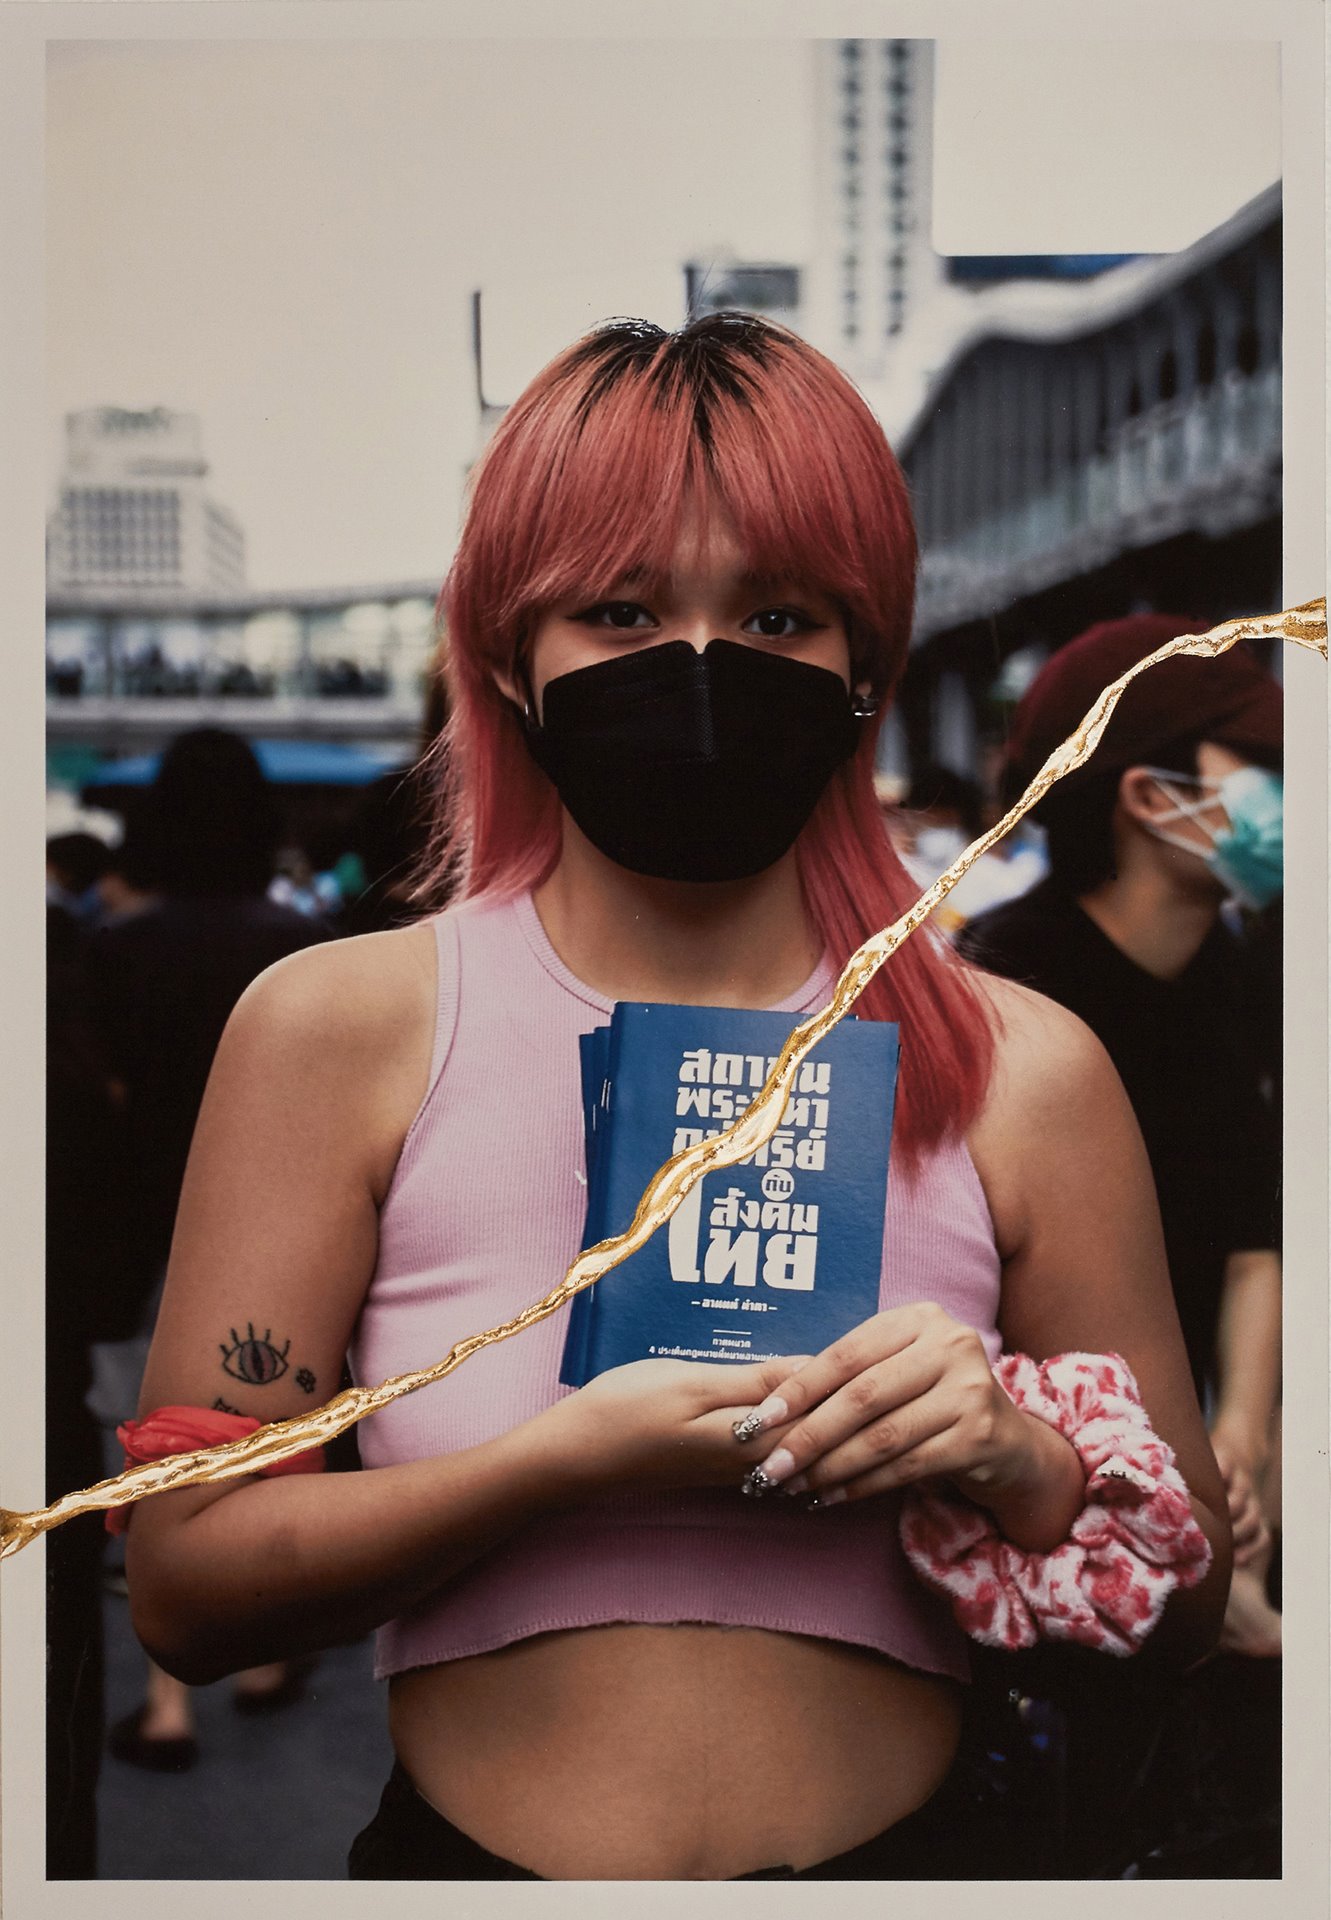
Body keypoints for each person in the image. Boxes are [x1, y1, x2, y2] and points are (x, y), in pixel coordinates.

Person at [121, 316, 1229, 1881]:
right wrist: (564, 1461)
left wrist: (1010, 1452)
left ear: (864, 661)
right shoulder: (341, 1030)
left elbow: (1181, 1605)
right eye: (621, 608)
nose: (703, 671)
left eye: (777, 614)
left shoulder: (1019, 1064)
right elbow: (185, 1576)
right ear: (510, 652)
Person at [957, 615, 1282, 1870]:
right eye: (1264, 764)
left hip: (1215, 1454)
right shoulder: (1006, 992)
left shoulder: (1238, 961)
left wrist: (1240, 1433)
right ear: (1153, 796)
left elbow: (1258, 1228)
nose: (1288, 794)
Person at [86, 729, 328, 1767]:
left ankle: (166, 1701)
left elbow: (101, 1102)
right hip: (291, 1232)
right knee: (275, 1440)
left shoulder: (111, 948)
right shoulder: (300, 947)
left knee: (149, 1452)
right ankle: (274, 1649)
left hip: (139, 1230)